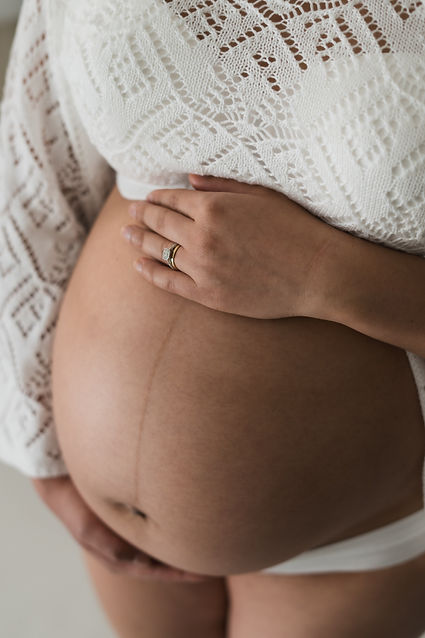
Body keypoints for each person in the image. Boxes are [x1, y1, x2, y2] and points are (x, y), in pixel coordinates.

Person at [2, 1, 425, 636]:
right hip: (109, 528)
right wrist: (39, 452)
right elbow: (39, 151)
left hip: (348, 544)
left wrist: (321, 273)